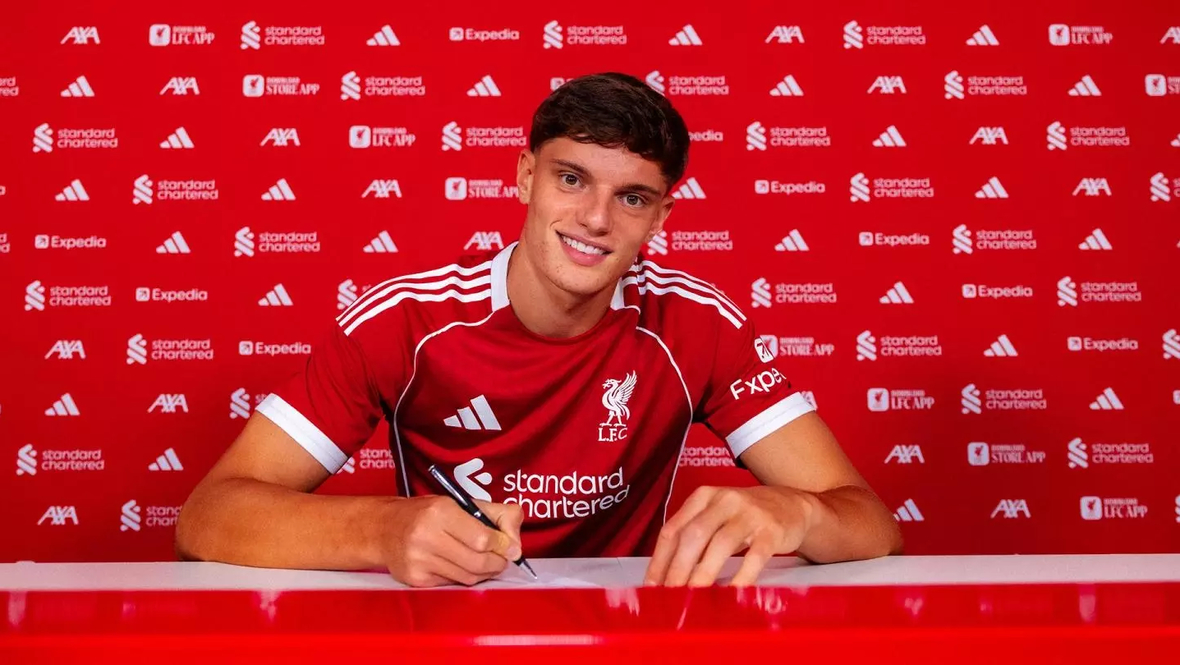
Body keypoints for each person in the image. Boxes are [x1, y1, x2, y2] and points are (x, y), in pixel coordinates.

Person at [176, 72, 902, 588]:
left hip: (629, 636)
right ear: (525, 176)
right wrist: (384, 530)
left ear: (661, 217)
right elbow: (210, 515)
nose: (596, 218)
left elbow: (869, 521)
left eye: (633, 197)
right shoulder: (406, 319)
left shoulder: (698, 323)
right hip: (447, 631)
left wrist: (797, 511)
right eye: (571, 179)